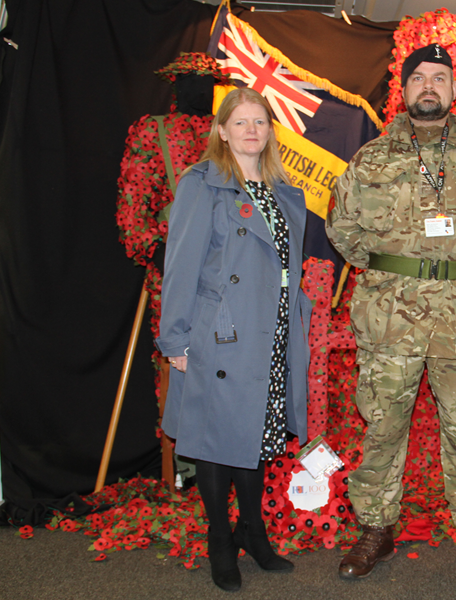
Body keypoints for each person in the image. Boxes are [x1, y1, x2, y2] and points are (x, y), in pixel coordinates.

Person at [326, 44, 456, 583]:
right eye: (420, 78)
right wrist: (391, 274)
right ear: (405, 87)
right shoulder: (371, 159)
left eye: (440, 77)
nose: (430, 87)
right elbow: (341, 227)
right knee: (383, 423)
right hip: (390, 316)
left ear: (454, 89)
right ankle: (376, 528)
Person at [155, 87, 312, 592]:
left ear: (269, 131)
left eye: (260, 121)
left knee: (257, 435)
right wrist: (175, 338)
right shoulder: (202, 185)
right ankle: (220, 538)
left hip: (273, 330)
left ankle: (253, 531)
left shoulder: (286, 192)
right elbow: (179, 266)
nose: (251, 129)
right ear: (221, 130)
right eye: (240, 121)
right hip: (221, 333)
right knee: (216, 440)